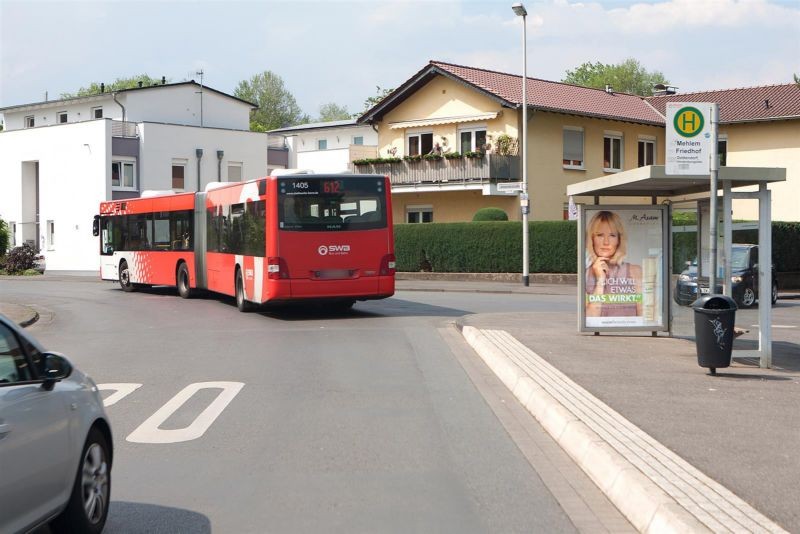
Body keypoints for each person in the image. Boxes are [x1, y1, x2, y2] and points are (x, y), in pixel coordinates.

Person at [585, 210, 642, 318]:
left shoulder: (635, 271)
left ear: (619, 240)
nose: (606, 242)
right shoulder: (586, 274)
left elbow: (644, 317)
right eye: (600, 235)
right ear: (592, 239)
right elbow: (590, 320)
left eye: (612, 235)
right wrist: (600, 281)